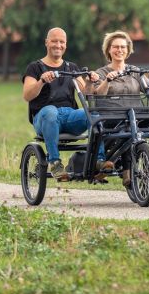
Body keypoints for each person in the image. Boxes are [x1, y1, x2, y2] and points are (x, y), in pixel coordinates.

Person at [94, 30, 149, 186]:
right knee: (127, 130)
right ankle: (127, 171)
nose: (119, 50)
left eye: (123, 47)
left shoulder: (136, 72)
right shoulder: (102, 72)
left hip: (136, 114)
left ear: (128, 50)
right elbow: (98, 95)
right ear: (109, 50)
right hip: (112, 116)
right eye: (116, 47)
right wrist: (107, 81)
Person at [22, 27, 104, 181]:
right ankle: (54, 162)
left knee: (94, 114)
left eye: (62, 42)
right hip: (44, 117)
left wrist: (91, 81)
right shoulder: (35, 67)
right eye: (54, 41)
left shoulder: (71, 67)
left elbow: (86, 92)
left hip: (69, 116)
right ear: (46, 42)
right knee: (50, 112)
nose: (58, 45)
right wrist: (41, 81)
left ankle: (99, 161)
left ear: (66, 45)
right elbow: (27, 95)